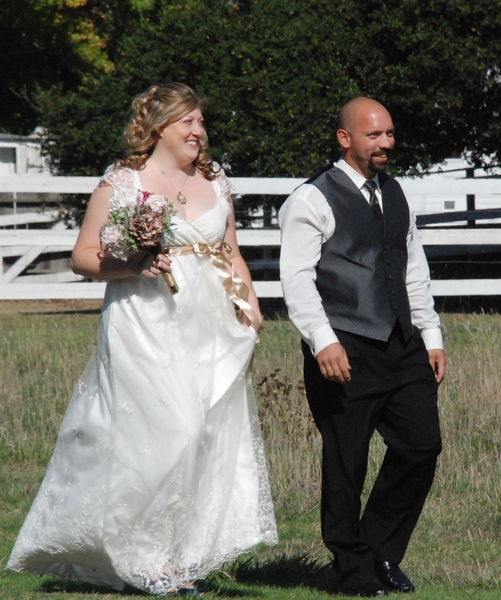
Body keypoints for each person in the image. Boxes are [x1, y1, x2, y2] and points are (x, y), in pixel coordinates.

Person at [7, 83, 277, 595]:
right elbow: (83, 256)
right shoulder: (124, 182)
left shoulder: (215, 180)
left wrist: (251, 306)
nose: (199, 131)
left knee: (202, 435)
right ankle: (144, 559)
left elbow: (230, 250)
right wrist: (133, 261)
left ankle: (174, 556)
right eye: (188, 123)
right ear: (159, 129)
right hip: (145, 319)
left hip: (211, 324)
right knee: (167, 430)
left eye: (201, 122)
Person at [279, 97, 446, 597]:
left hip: (402, 345)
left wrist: (430, 334)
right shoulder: (310, 199)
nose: (387, 143)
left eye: (390, 134)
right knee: (347, 460)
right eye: (374, 135)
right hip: (343, 346)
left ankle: (380, 554)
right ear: (345, 138)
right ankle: (350, 572)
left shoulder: (396, 193)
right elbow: (296, 279)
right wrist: (322, 341)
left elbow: (413, 270)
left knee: (422, 445)